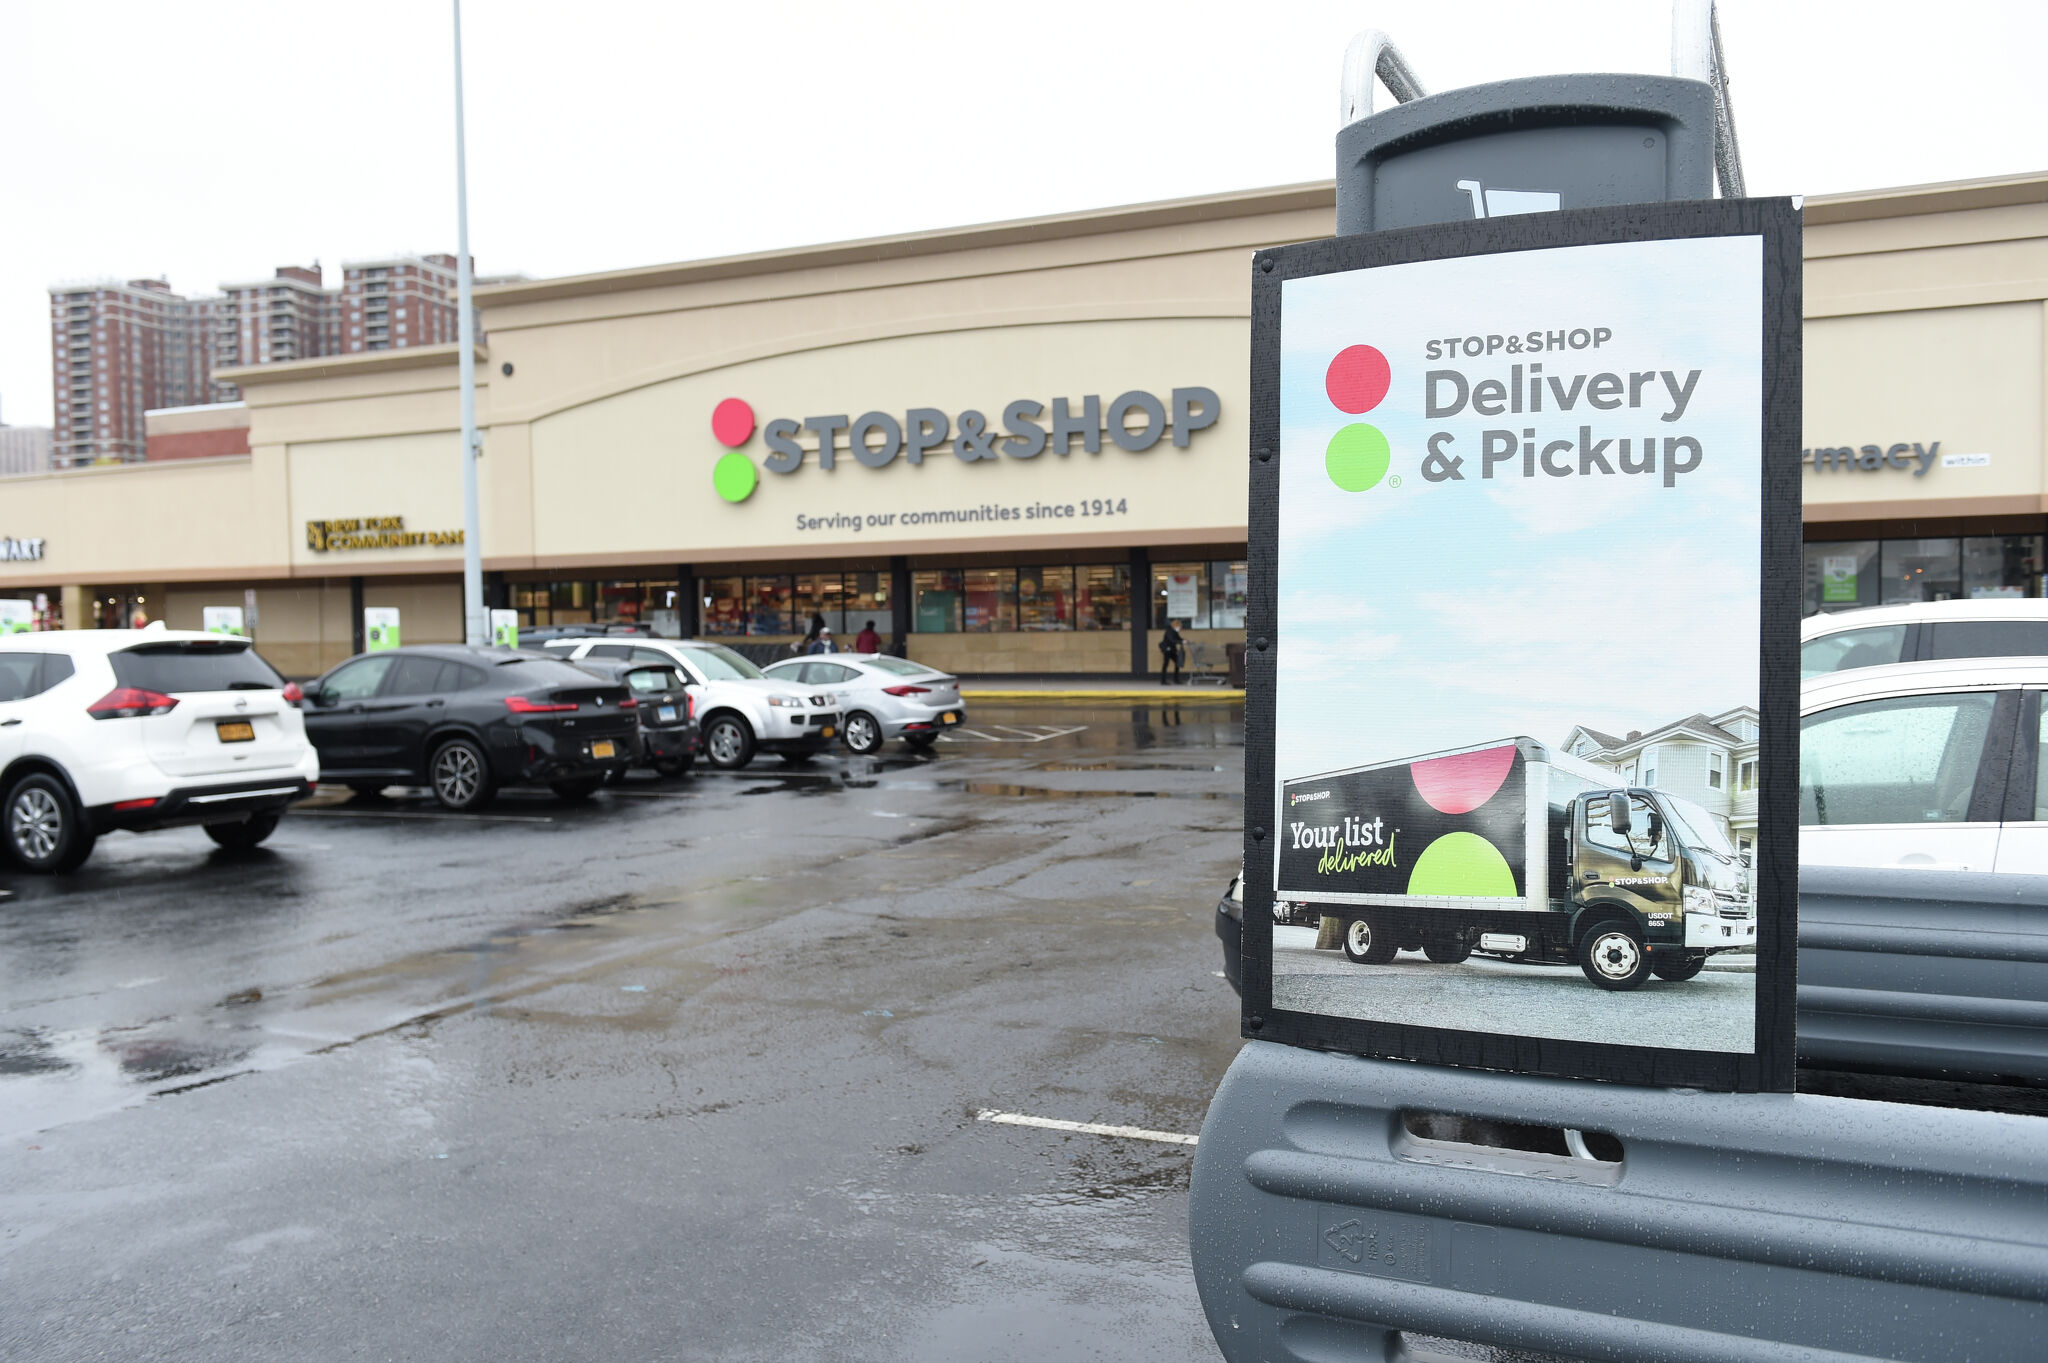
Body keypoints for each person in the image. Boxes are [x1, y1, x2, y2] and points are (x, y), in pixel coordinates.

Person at [1159, 618, 1185, 685]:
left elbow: (1178, 638)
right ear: (1175, 625)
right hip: (1167, 650)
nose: (1179, 628)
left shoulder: (1175, 632)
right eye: (1179, 627)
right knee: (1165, 664)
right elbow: (1172, 640)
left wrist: (1184, 640)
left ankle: (1176, 679)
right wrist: (1181, 641)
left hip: (1172, 650)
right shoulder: (1169, 631)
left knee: (1177, 663)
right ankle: (1163, 680)